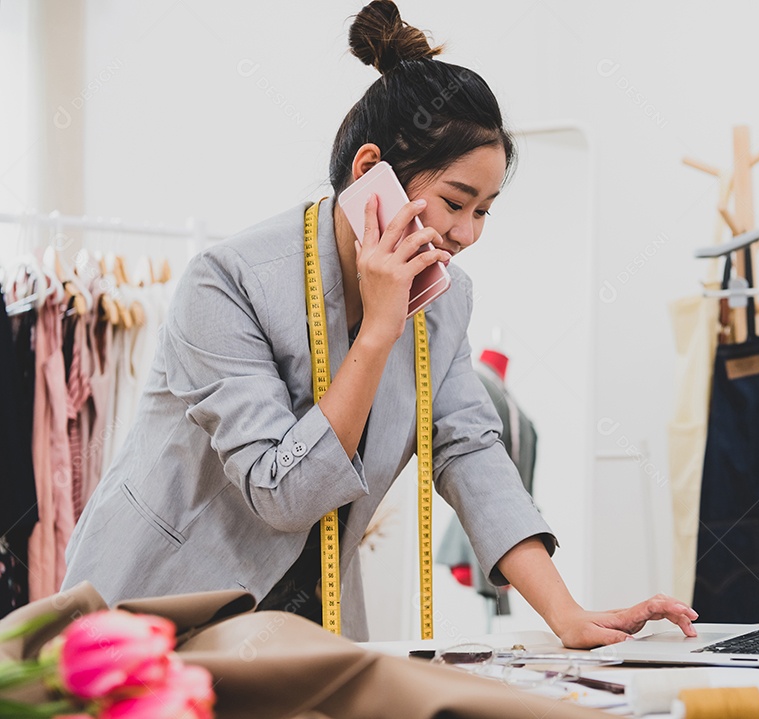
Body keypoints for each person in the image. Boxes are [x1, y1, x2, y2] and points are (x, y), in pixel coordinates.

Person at [63, 0, 698, 648]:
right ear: (370, 174)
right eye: (455, 201)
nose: (468, 233)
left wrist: (566, 613)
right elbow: (281, 494)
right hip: (152, 609)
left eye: (485, 210)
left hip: (302, 619)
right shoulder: (225, 284)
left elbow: (470, 449)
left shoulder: (445, 301)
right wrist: (377, 332)